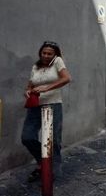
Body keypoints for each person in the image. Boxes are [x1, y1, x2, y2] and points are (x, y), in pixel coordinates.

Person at [22, 41, 71, 182]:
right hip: (35, 106)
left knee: (54, 140)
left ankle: (53, 173)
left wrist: (46, 88)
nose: (46, 55)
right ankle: (43, 163)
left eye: (50, 53)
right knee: (27, 137)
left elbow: (66, 78)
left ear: (55, 54)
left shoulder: (58, 62)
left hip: (53, 105)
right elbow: (30, 86)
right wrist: (27, 91)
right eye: (44, 53)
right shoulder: (35, 67)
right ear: (40, 53)